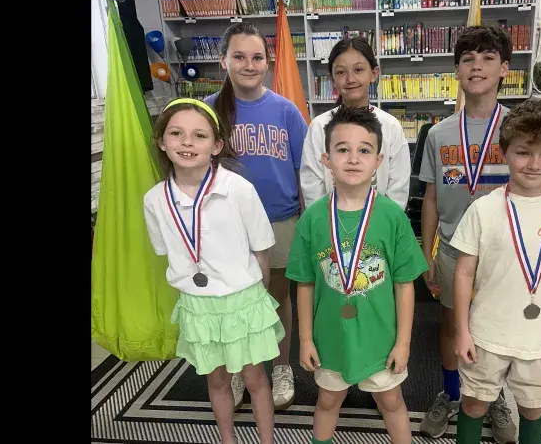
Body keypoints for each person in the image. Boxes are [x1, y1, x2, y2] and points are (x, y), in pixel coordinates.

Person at [451, 98, 541, 444]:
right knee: (473, 404)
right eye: (523, 152)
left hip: (540, 339)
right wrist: (462, 331)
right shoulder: (483, 209)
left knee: (533, 408)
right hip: (485, 334)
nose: (534, 164)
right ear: (504, 152)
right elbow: (464, 274)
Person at [143, 98, 283, 444]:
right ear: (161, 141)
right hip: (198, 305)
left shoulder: (238, 189)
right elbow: (165, 251)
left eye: (199, 135)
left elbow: (262, 251)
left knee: (255, 380)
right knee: (217, 380)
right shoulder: (155, 200)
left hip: (243, 300)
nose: (187, 143)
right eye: (176, 133)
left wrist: (259, 295)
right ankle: (227, 439)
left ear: (217, 145)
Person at [286, 106, 427, 444]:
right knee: (327, 402)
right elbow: (305, 283)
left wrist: (403, 343)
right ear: (326, 159)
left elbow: (404, 285)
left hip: (381, 340)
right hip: (330, 339)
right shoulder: (312, 219)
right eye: (342, 149)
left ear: (378, 161)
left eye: (364, 150)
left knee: (391, 403)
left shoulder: (393, 217)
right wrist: (305, 339)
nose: (353, 159)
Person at [417, 25, 517, 442]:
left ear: (504, 68)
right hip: (452, 249)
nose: (477, 66)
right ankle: (452, 393)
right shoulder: (439, 133)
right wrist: (426, 254)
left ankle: (493, 396)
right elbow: (431, 199)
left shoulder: (517, 128)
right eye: (467, 59)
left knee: (497, 328)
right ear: (456, 70)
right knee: (452, 323)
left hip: (505, 252)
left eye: (488, 58)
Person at [204, 22, 308, 410]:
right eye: (239, 56)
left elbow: (304, 172)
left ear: (268, 62)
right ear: (223, 61)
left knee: (278, 298)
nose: (249, 65)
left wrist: (306, 220)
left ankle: (280, 366)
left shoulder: (287, 111)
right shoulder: (209, 111)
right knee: (232, 302)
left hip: (279, 220)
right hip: (225, 226)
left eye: (257, 57)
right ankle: (237, 369)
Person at [299, 36, 411, 210]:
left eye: (358, 70)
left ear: (374, 74)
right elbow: (312, 187)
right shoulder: (319, 127)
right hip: (329, 222)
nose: (350, 79)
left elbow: (398, 188)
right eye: (341, 72)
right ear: (331, 79)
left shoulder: (391, 126)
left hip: (381, 223)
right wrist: (325, 221)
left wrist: (384, 221)